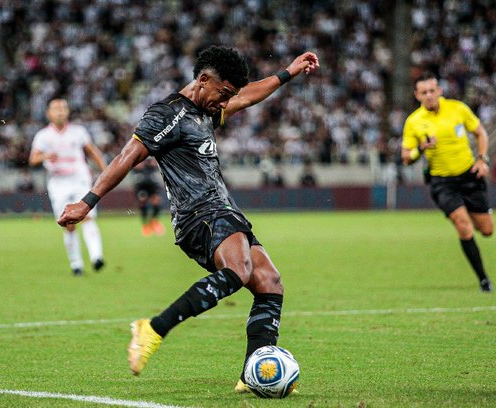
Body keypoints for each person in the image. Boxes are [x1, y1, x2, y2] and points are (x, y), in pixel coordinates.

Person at [58, 46, 319, 390]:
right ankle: (152, 329)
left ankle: (252, 374)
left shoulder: (209, 107)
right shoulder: (167, 114)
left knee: (269, 282)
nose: (226, 103)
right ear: (203, 80)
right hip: (199, 215)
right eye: (223, 94)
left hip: (223, 211)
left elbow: (248, 96)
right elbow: (128, 155)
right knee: (239, 270)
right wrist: (87, 202)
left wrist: (288, 71)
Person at [401, 71, 494, 292]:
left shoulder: (458, 109)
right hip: (441, 182)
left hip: (469, 176)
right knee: (463, 225)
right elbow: (406, 157)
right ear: (417, 95)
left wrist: (482, 159)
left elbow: (480, 133)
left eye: (432, 90)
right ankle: (483, 279)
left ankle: (471, 212)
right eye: (424, 92)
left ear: (439, 91)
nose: (429, 95)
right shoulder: (414, 122)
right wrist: (421, 148)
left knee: (487, 229)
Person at [29, 98, 108, 276]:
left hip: (79, 179)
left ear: (68, 112)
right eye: (56, 108)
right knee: (68, 224)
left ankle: (97, 257)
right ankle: (76, 265)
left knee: (87, 216)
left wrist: (105, 170)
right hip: (58, 183)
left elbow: (91, 151)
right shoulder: (43, 136)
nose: (60, 111)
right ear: (48, 113)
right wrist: (46, 156)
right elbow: (33, 159)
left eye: (63, 108)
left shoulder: (78, 132)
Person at [132, 157, 165, 237]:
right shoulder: (137, 167)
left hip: (152, 185)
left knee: (156, 201)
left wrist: (152, 162)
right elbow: (135, 167)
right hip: (141, 185)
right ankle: (145, 225)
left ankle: (154, 222)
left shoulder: (150, 165)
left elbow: (155, 164)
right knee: (142, 202)